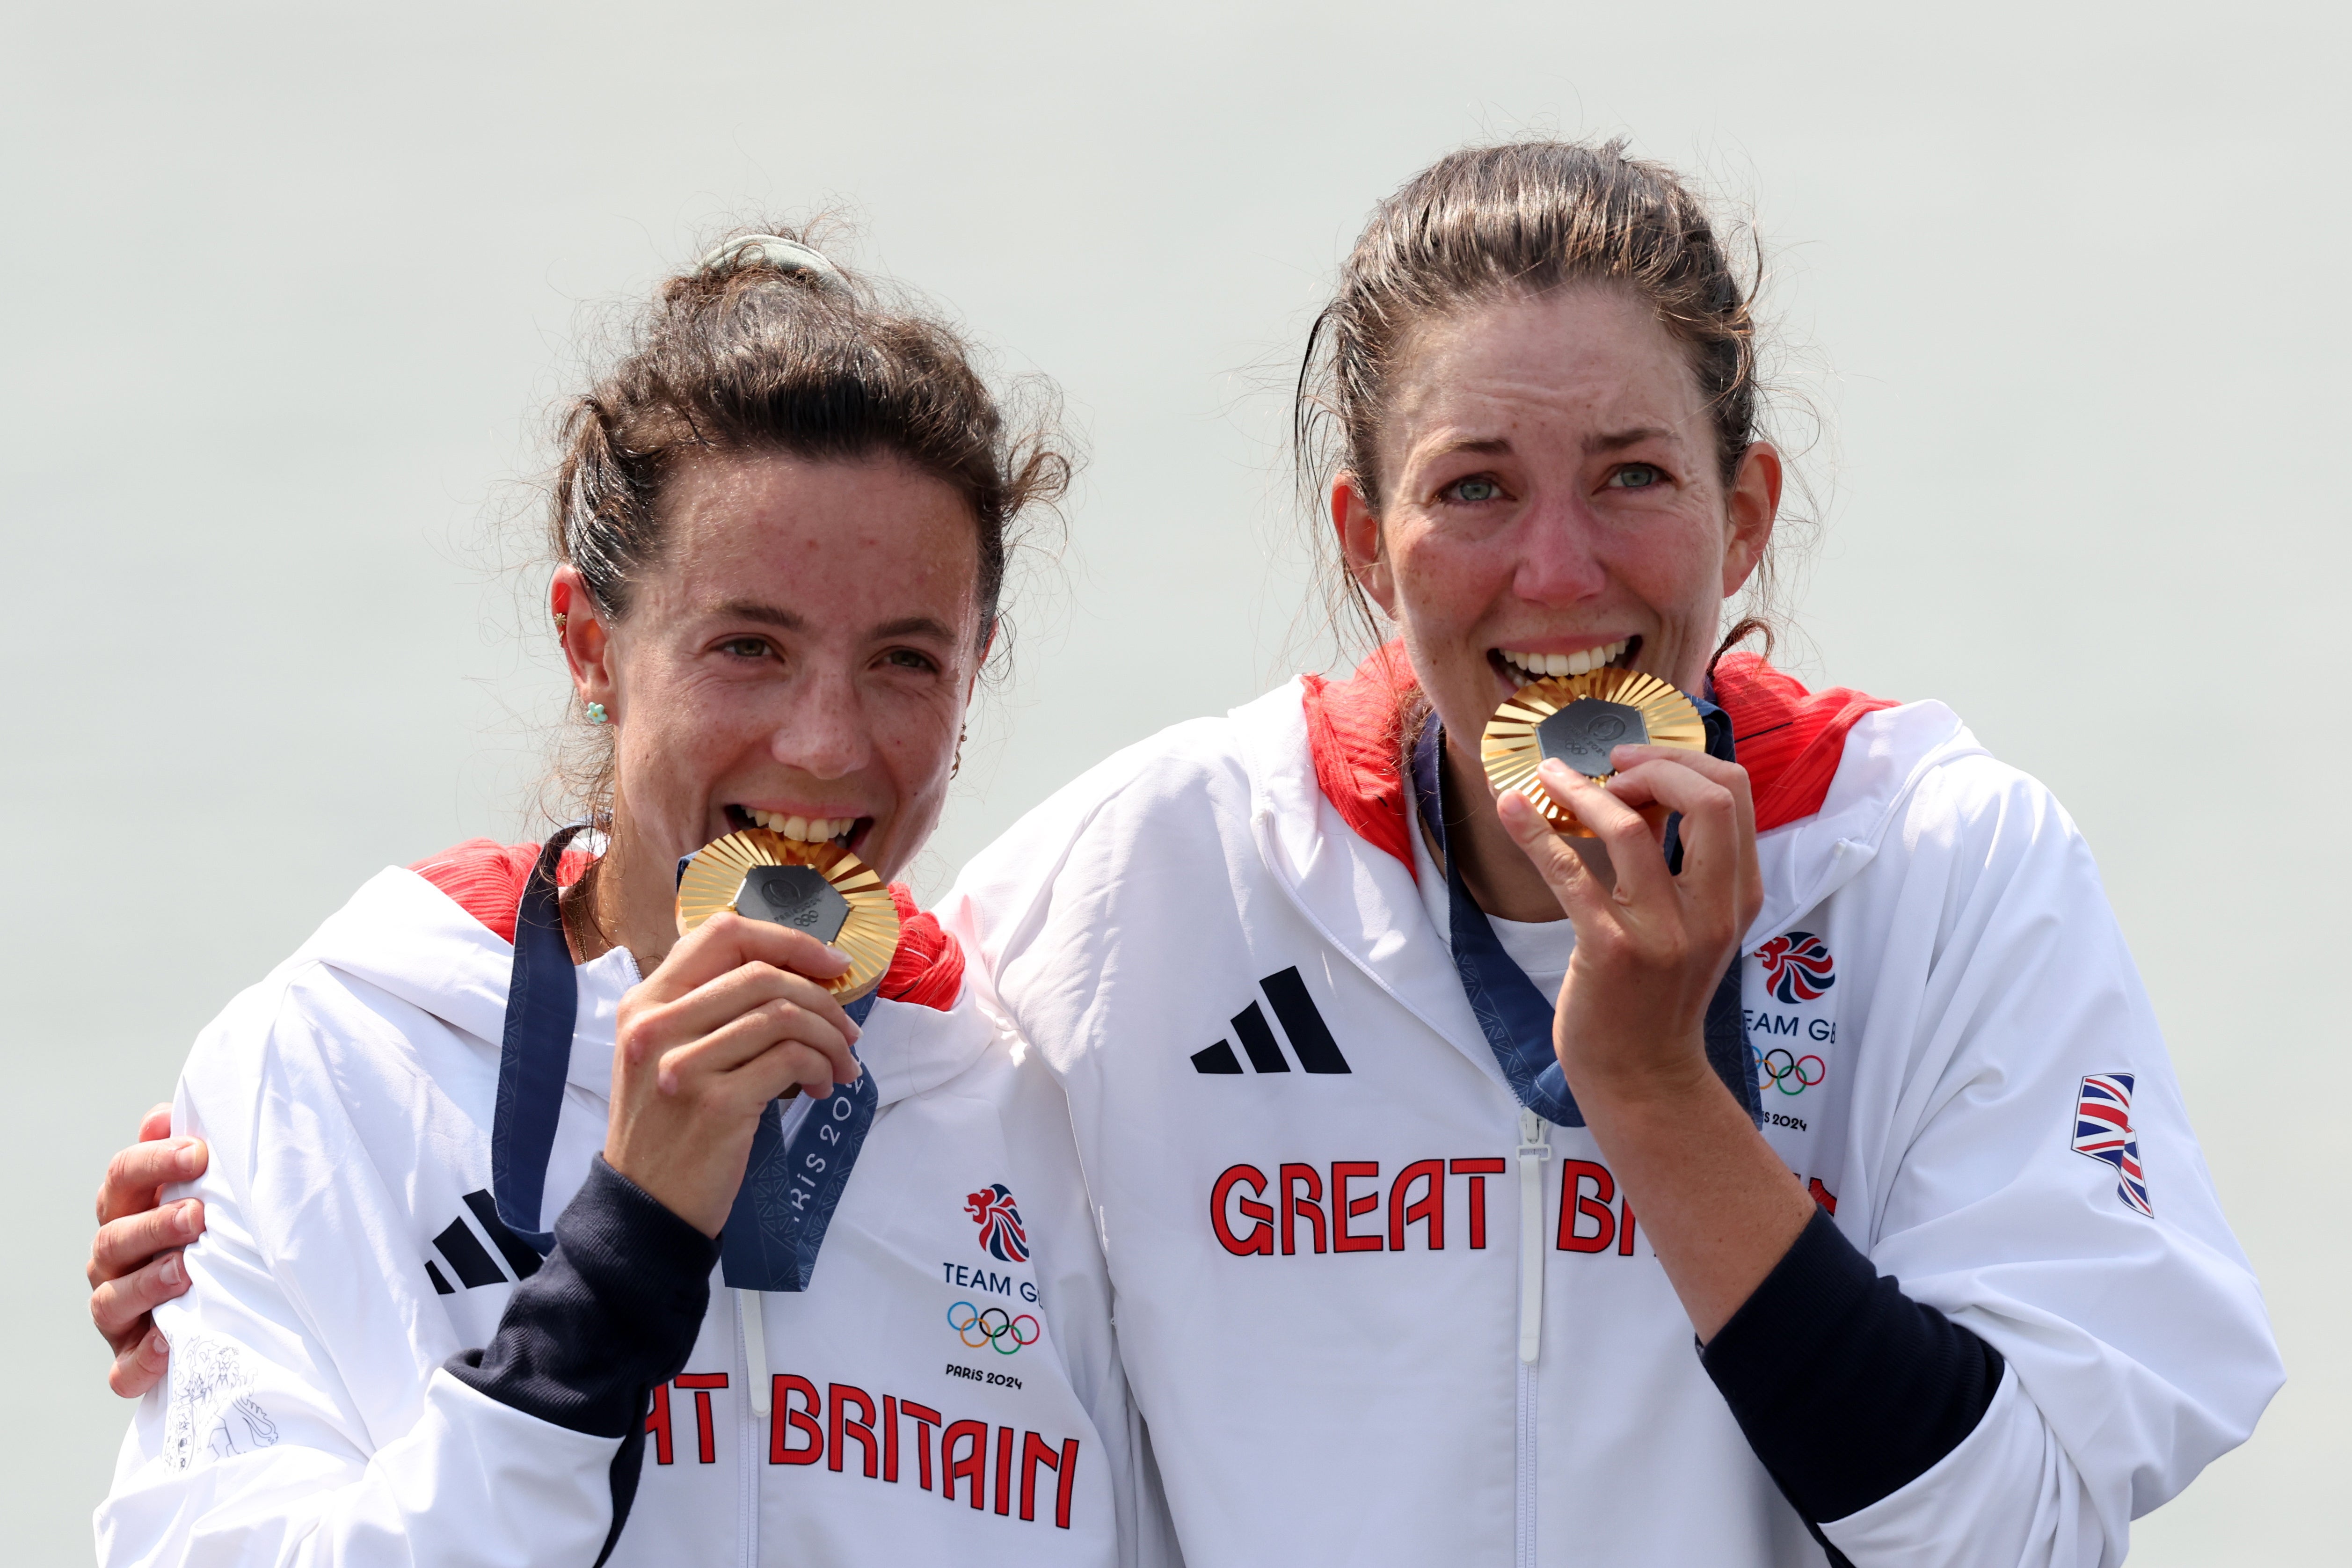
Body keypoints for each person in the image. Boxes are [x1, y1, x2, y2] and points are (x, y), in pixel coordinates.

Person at [94, 141, 2280, 1568]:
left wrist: (1654, 1092)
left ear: (1752, 518)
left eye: (1631, 478)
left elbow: (2019, 1538)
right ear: (1360, 542)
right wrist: (306, 1141)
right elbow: (681, 916)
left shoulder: (1938, 862)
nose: (1554, 572)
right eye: (1468, 490)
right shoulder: (1152, 888)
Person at [90, 230, 1174, 1567]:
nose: (827, 742)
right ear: (591, 643)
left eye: (905, 660)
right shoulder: (330, 1070)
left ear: (975, 672)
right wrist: (625, 1246)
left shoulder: (1039, 1105)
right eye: (747, 646)